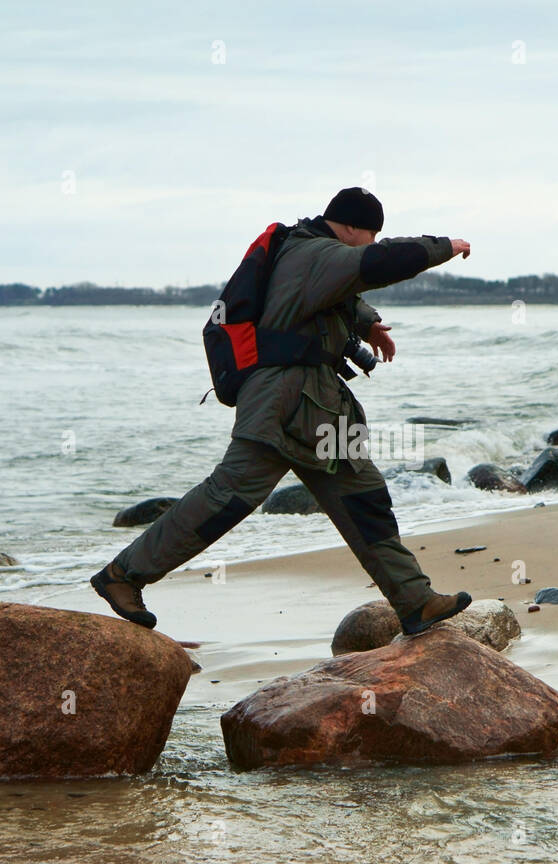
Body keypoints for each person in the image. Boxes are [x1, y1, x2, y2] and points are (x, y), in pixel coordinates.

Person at [92, 187, 474, 637]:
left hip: (320, 404)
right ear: (350, 226)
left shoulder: (312, 252)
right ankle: (124, 575)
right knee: (226, 498)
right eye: (370, 232)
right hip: (279, 403)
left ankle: (415, 602)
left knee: (365, 498)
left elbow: (339, 295)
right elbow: (378, 263)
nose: (372, 241)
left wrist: (368, 323)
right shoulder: (313, 252)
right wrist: (443, 247)